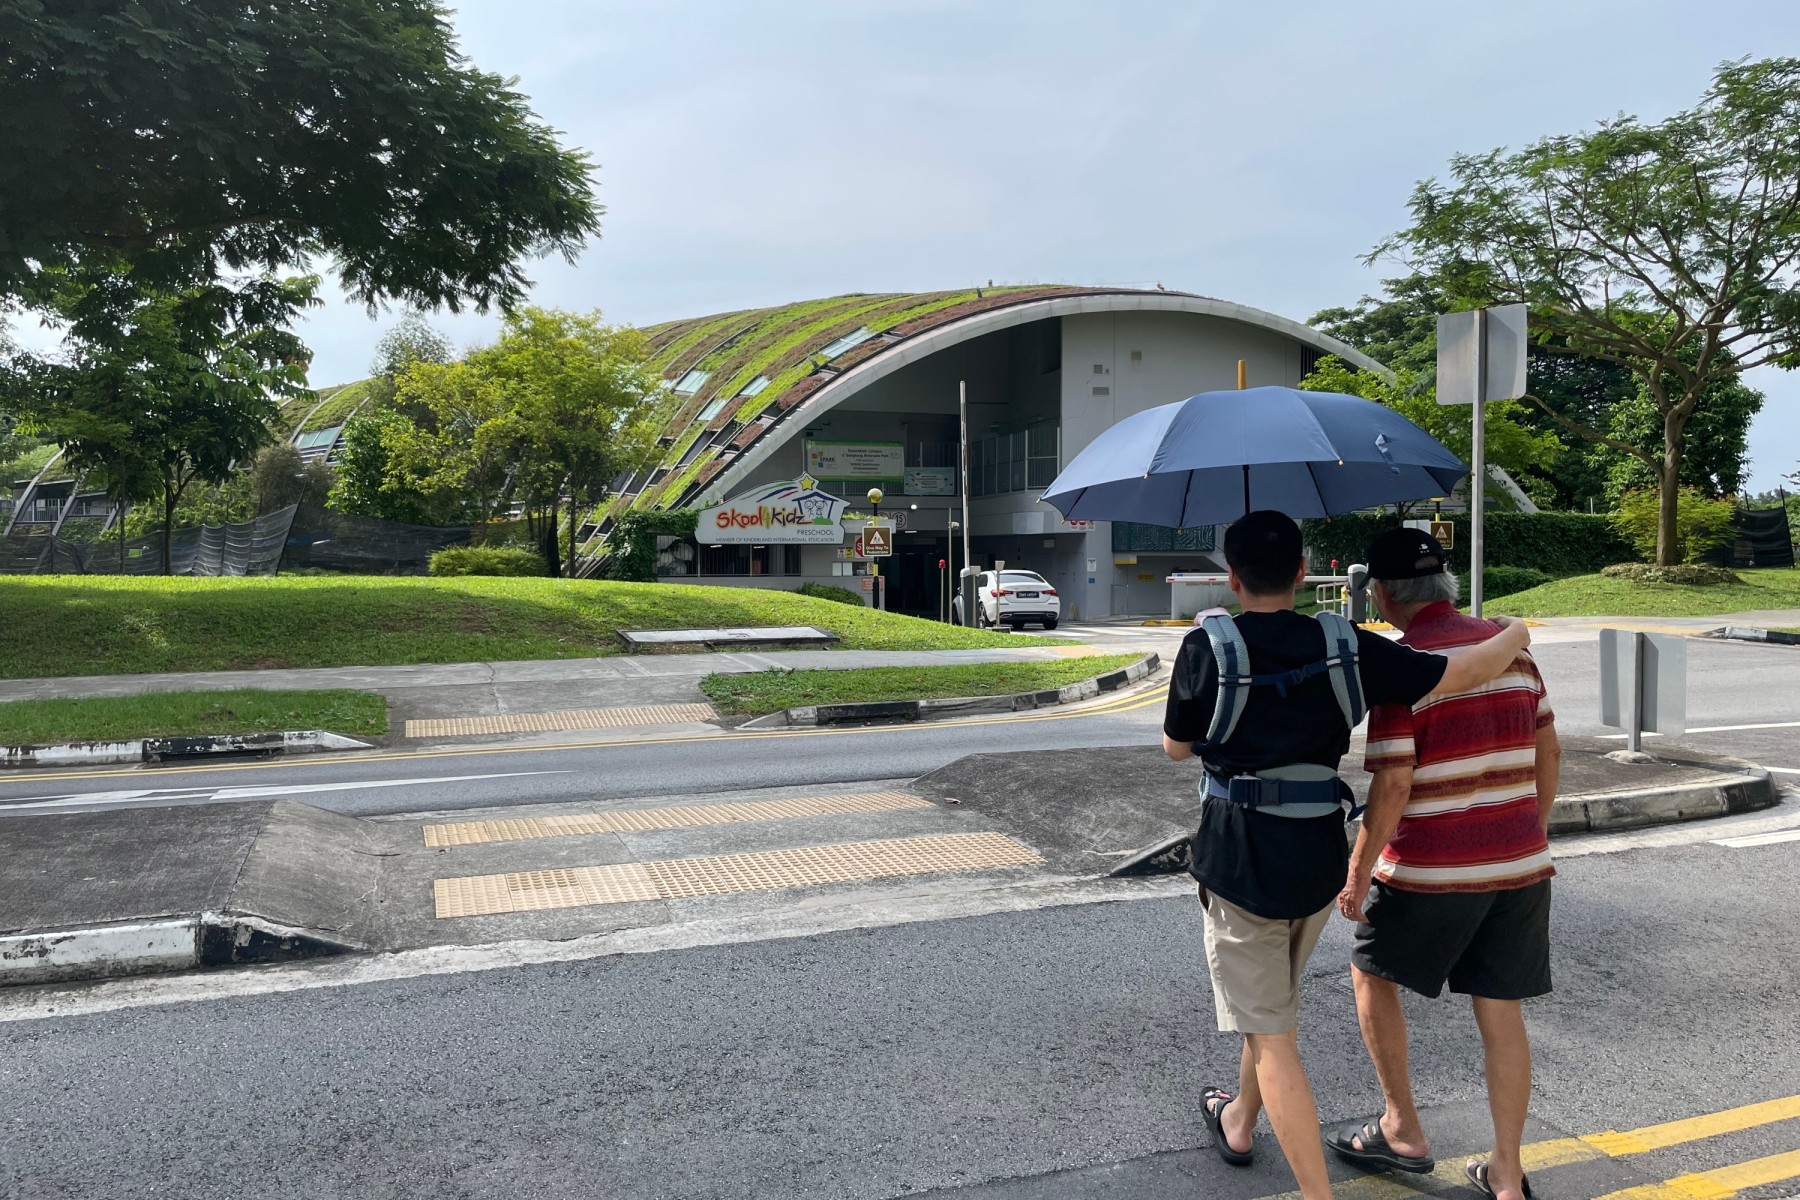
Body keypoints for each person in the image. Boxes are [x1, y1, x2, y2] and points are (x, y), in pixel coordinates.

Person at [1162, 511, 1534, 1200]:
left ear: (1233, 577)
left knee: (1273, 1035)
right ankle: (1240, 1118)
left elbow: (1177, 747)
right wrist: (1514, 631)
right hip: (1315, 856)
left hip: (1238, 857)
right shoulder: (1350, 644)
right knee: (1270, 1004)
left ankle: (1315, 1192)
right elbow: (1462, 670)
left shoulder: (1205, 646)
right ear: (1304, 572)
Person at [1328, 527, 1559, 1200]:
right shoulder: (1508, 649)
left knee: (1371, 974)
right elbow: (1550, 752)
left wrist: (1359, 872)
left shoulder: (1408, 667)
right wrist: (1529, 829)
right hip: (1520, 865)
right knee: (1501, 1008)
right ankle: (1508, 1172)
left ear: (1383, 592)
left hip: (1433, 871)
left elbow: (1394, 785)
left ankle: (1402, 1128)